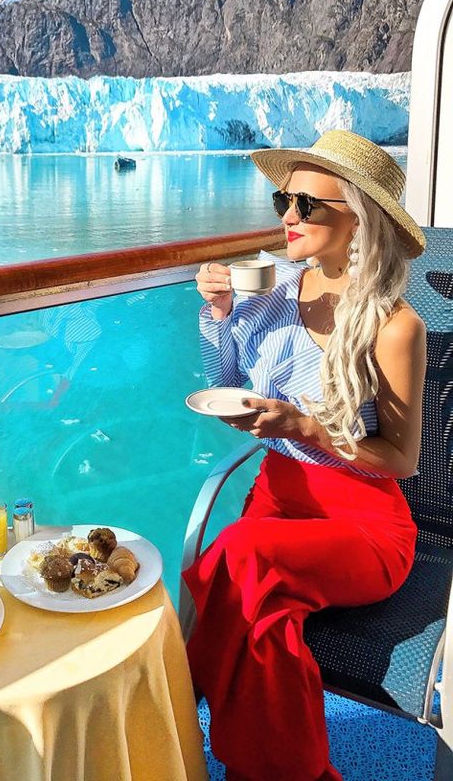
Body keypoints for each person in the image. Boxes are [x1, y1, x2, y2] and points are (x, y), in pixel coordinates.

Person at [183, 129, 427, 781]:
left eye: (309, 206)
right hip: (279, 495)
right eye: (282, 200)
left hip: (365, 522)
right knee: (267, 631)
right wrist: (219, 312)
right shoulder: (269, 285)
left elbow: (402, 459)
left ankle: (176, 699)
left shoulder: (398, 326)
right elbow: (225, 380)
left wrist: (309, 427)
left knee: (236, 556)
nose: (288, 217)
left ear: (360, 221)